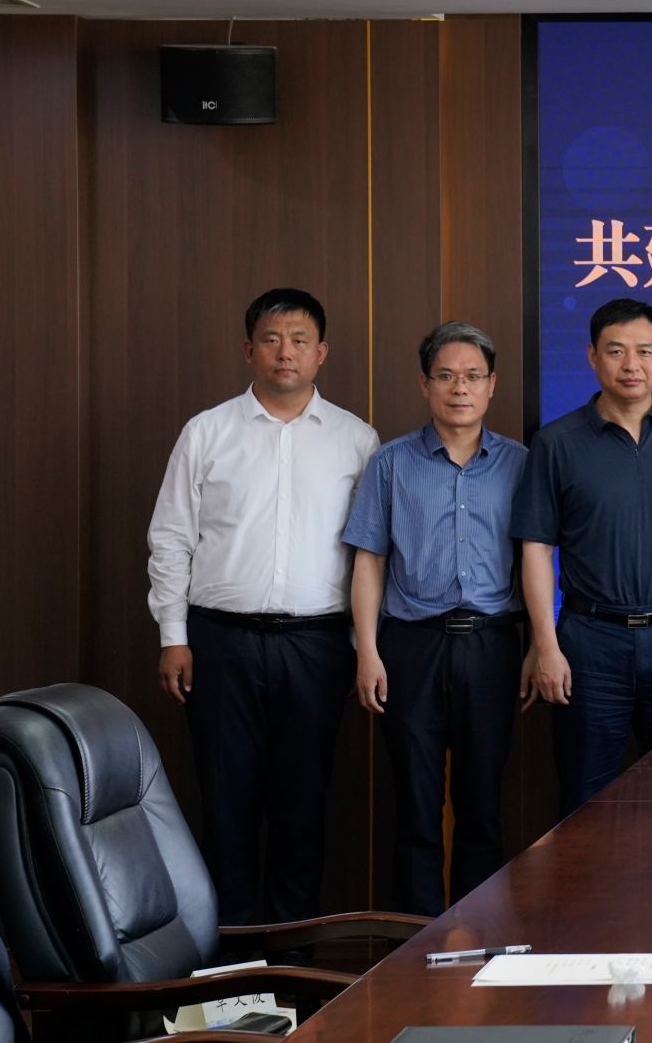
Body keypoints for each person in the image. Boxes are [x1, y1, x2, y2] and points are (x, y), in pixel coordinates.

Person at [146, 288, 379, 924]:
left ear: (322, 353)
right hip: (219, 642)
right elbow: (171, 538)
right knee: (226, 801)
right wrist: (173, 635)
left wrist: (361, 648)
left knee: (303, 803)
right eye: (272, 339)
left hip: (318, 645)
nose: (285, 352)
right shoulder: (207, 431)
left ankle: (291, 956)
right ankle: (228, 956)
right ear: (248, 349)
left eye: (300, 340)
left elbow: (369, 555)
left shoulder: (357, 440)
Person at [512, 298, 652, 814]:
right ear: (592, 356)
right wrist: (546, 645)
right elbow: (536, 548)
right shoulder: (556, 442)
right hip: (589, 642)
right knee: (585, 799)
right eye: (616, 351)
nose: (632, 365)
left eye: (645, 351)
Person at [343, 322, 527, 916]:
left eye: (472, 376)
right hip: (411, 647)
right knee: (416, 807)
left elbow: (538, 560)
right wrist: (367, 651)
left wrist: (538, 646)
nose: (459, 388)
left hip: (492, 646)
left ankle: (482, 939)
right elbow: (369, 560)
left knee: (482, 807)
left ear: (492, 384)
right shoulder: (391, 463)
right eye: (446, 376)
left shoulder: (520, 464)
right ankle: (415, 943)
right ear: (425, 384)